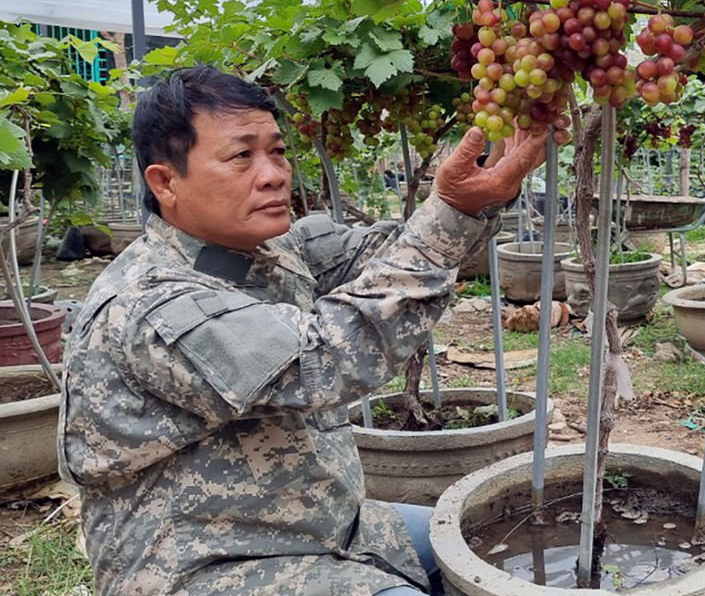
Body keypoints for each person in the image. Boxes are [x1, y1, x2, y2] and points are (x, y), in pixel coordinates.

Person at [57, 66, 546, 596]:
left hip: (321, 526)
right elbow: (324, 360)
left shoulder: (266, 250)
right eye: (241, 156)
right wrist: (447, 210)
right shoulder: (154, 306)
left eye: (278, 151)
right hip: (206, 563)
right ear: (165, 181)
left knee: (497, 543)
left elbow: (397, 252)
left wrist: (474, 201)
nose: (272, 174)